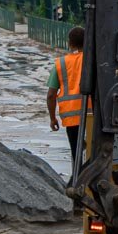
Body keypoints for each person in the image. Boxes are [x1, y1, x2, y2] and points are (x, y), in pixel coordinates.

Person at [47, 26, 86, 159]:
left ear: (70, 43)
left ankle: (79, 178)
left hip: (72, 118)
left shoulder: (60, 63)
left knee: (77, 154)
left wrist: (53, 118)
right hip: (94, 116)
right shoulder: (94, 60)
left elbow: (51, 95)